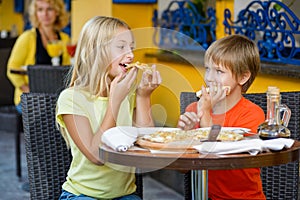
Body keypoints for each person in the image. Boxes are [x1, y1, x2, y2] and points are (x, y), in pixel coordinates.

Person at [56, 16, 162, 200]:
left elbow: (146, 146)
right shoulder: (72, 99)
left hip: (125, 195)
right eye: (121, 47)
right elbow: (96, 156)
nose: (130, 55)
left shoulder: (126, 95)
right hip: (83, 195)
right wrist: (114, 102)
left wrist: (144, 97)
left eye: (131, 48)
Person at [177, 34, 266, 200]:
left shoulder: (252, 115)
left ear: (243, 77)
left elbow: (218, 158)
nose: (210, 78)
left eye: (219, 71)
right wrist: (183, 138)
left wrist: (205, 115)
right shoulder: (193, 109)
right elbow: (182, 169)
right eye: (208, 69)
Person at [7, 0, 70, 113]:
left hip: (55, 98)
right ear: (35, 13)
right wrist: (30, 92)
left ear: (57, 12)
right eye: (40, 10)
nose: (45, 14)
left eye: (49, 9)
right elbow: (11, 69)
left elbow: (66, 71)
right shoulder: (27, 38)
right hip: (29, 99)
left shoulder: (64, 39)